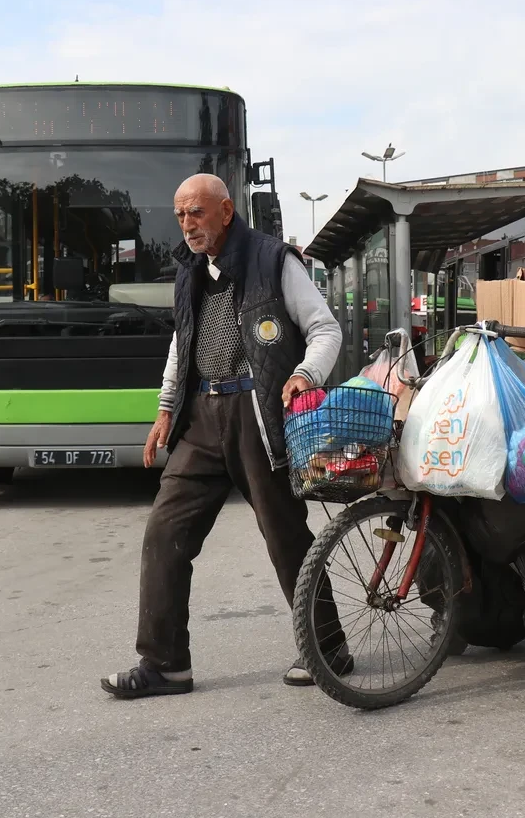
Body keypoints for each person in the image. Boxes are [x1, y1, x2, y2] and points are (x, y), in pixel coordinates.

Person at [101, 174, 349, 699]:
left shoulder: (273, 260)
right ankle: (165, 665)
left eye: (196, 213)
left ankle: (329, 648)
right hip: (201, 417)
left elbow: (325, 328)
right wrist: (167, 406)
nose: (188, 224)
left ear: (225, 212)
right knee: (164, 532)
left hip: (259, 412)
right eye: (181, 215)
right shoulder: (188, 269)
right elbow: (182, 340)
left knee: (285, 536)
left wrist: (305, 375)